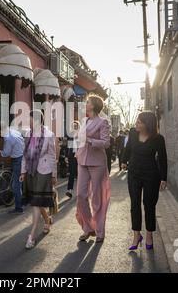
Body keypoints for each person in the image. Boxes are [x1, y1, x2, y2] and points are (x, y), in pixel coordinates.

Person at [122, 112, 168, 250]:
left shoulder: (158, 139)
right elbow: (128, 148)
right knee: (134, 203)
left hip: (151, 175)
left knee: (149, 204)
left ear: (147, 124)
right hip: (134, 173)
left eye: (139, 122)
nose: (136, 124)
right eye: (137, 121)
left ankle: (149, 234)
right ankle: (136, 235)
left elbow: (162, 159)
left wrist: (163, 178)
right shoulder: (133, 133)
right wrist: (124, 161)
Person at [75, 95, 111, 243]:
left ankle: (100, 231)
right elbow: (80, 139)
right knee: (81, 195)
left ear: (94, 105)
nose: (85, 103)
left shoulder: (103, 122)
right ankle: (88, 227)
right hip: (82, 160)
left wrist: (89, 140)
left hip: (97, 162)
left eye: (87, 102)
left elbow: (106, 143)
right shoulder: (84, 121)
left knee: (97, 198)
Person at [20, 110, 57, 249]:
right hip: (31, 171)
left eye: (28, 119)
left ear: (35, 120)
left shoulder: (48, 135)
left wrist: (54, 174)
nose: (26, 122)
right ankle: (47, 220)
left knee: (36, 202)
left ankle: (32, 235)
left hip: (44, 170)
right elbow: (25, 155)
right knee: (37, 200)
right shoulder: (28, 134)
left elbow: (53, 156)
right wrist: (23, 171)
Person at [0, 122, 25, 214]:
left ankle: (19, 208)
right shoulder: (13, 131)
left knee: (16, 185)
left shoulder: (8, 138)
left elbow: (5, 153)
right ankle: (20, 204)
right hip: (22, 157)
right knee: (19, 183)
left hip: (18, 160)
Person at [66, 120, 80, 199]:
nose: (74, 127)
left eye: (76, 126)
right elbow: (68, 146)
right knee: (71, 174)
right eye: (73, 126)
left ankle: (80, 192)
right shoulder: (70, 135)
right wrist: (66, 156)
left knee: (79, 175)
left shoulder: (82, 135)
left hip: (80, 157)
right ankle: (69, 191)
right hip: (71, 157)